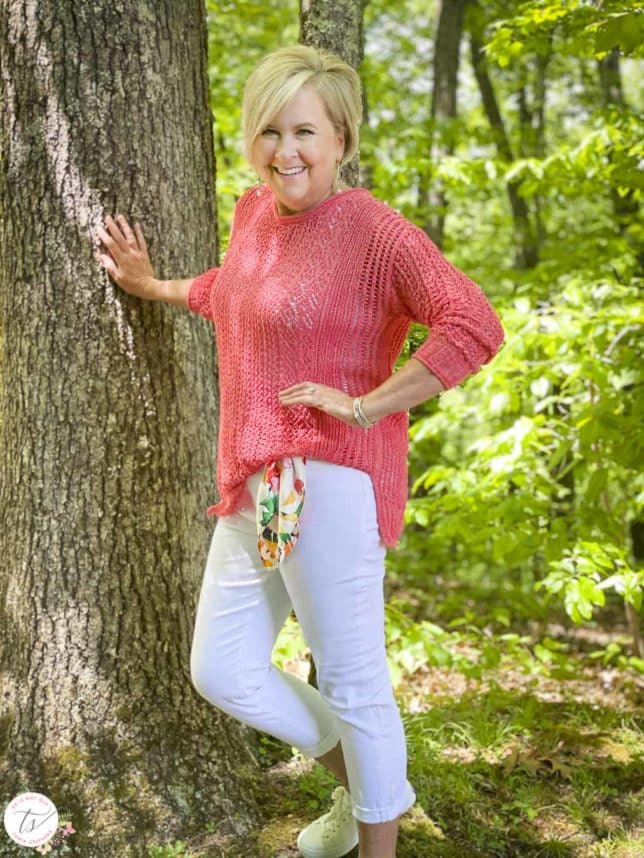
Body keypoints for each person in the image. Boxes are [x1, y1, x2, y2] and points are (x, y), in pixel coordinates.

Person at [94, 44, 504, 858]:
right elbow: (234, 295)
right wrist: (152, 286)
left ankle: (378, 842)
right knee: (222, 669)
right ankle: (367, 789)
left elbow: (473, 324)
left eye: (305, 132)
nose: (285, 151)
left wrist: (365, 405)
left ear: (341, 139)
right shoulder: (256, 215)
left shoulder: (374, 232)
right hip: (258, 483)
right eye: (270, 131)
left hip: (327, 483)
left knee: (353, 680)